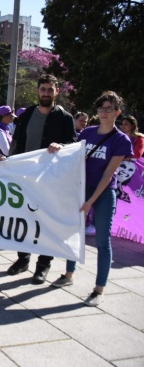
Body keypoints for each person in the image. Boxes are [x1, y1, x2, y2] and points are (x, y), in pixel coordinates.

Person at [50, 91, 132, 306]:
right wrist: (60, 147)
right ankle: (68, 275)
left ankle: (99, 289)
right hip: (81, 189)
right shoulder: (87, 133)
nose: (104, 112)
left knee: (103, 241)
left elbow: (108, 175)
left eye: (109, 108)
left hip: (104, 193)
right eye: (101, 108)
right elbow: (73, 157)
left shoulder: (121, 140)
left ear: (118, 112)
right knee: (73, 233)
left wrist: (89, 202)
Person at [6, 74, 76, 284]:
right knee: (22, 220)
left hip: (51, 180)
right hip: (26, 177)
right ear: (38, 91)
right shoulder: (26, 115)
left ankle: (43, 266)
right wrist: (9, 166)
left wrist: (61, 147)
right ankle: (22, 259)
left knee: (46, 223)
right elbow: (17, 142)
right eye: (43, 89)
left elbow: (72, 145)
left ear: (57, 92)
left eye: (50, 90)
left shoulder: (65, 118)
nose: (46, 93)